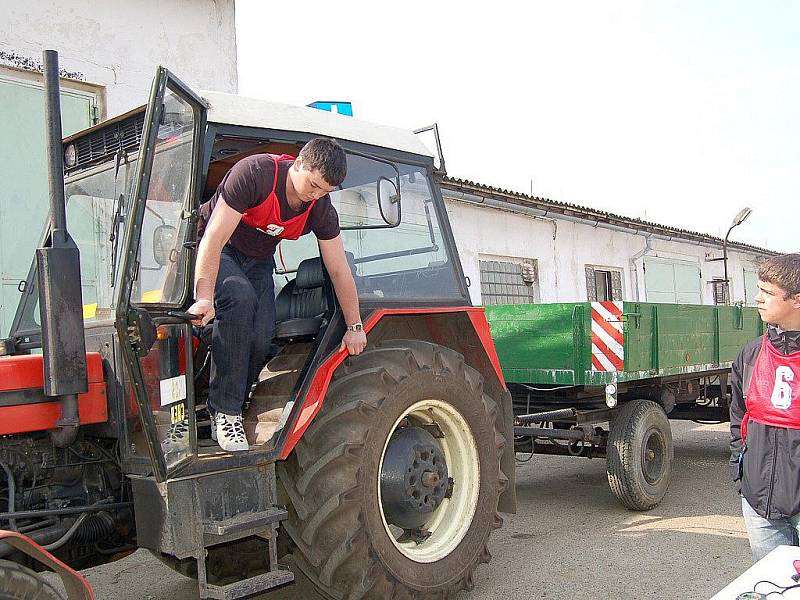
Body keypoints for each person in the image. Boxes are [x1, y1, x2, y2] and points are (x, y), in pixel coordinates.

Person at [187, 138, 367, 451]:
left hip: (257, 259)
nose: (316, 195)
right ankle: (227, 413)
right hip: (216, 249)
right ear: (298, 163)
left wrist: (355, 327)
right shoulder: (255, 173)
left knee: (261, 337)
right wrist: (204, 296)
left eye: (324, 191)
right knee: (239, 298)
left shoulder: (319, 207)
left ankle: (229, 407)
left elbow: (339, 270)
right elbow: (214, 239)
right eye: (313, 185)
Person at [730, 253, 800, 562]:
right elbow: (737, 419)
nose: (757, 298)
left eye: (768, 292)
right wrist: (741, 472)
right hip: (760, 504)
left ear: (796, 300)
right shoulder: (750, 354)